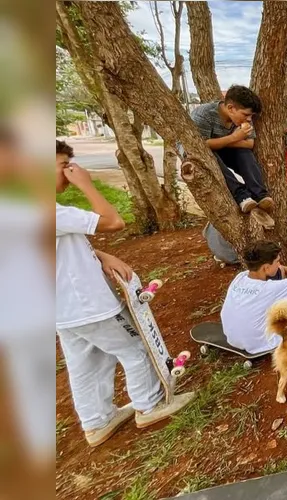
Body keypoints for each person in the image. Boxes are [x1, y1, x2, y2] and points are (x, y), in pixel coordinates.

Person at [55, 141, 194, 447]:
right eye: (63, 165)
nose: (69, 173)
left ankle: (97, 421)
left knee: (87, 363)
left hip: (61, 308)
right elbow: (113, 222)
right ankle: (150, 404)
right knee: (136, 347)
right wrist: (87, 185)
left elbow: (62, 245)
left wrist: (101, 256)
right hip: (88, 303)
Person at [220, 241, 287, 354]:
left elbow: (278, 269)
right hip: (263, 342)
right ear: (266, 267)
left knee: (279, 273)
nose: (279, 264)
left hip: (232, 339)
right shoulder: (271, 288)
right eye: (277, 261)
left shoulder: (240, 278)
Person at [189, 84, 275, 228]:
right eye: (246, 115)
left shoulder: (243, 119)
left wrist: (221, 142)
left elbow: (249, 144)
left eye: (251, 116)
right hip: (201, 153)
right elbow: (200, 146)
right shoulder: (203, 114)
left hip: (224, 148)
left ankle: (260, 194)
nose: (248, 119)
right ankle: (241, 196)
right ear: (230, 108)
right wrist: (235, 137)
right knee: (212, 156)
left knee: (244, 153)